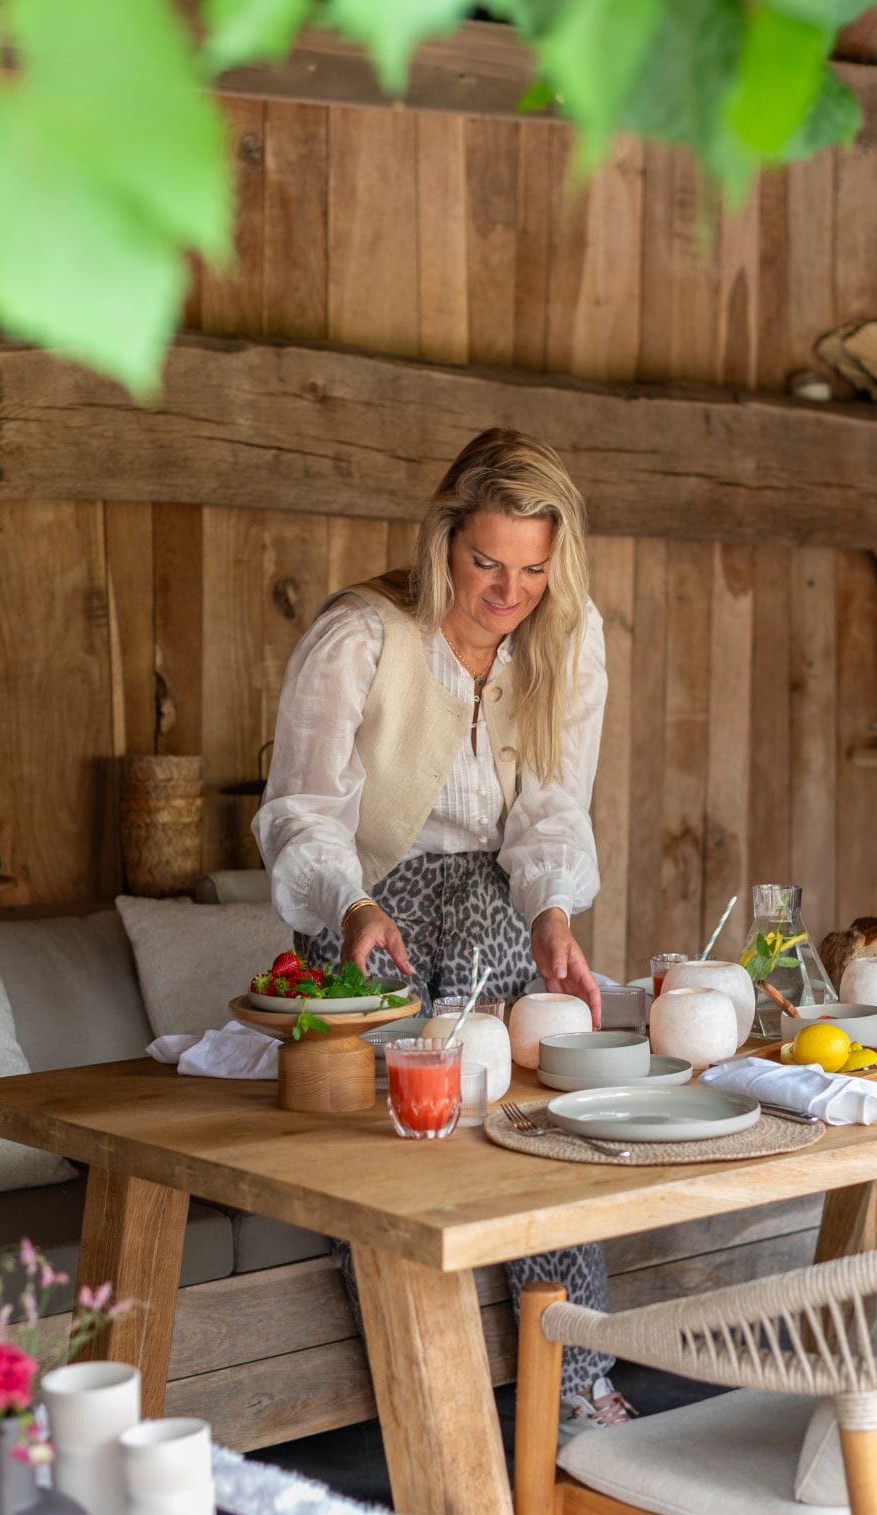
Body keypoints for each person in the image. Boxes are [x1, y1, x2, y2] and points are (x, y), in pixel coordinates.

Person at [252, 427, 633, 1439]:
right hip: (368, 900)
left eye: (533, 571)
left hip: (493, 903)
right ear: (443, 540)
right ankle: (430, 1401)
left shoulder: (566, 633)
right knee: (398, 1139)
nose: (508, 593)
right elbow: (300, 812)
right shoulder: (361, 636)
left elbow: (552, 803)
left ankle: (578, 1382)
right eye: (484, 563)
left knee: (537, 1117)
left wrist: (552, 913)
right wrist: (351, 904)